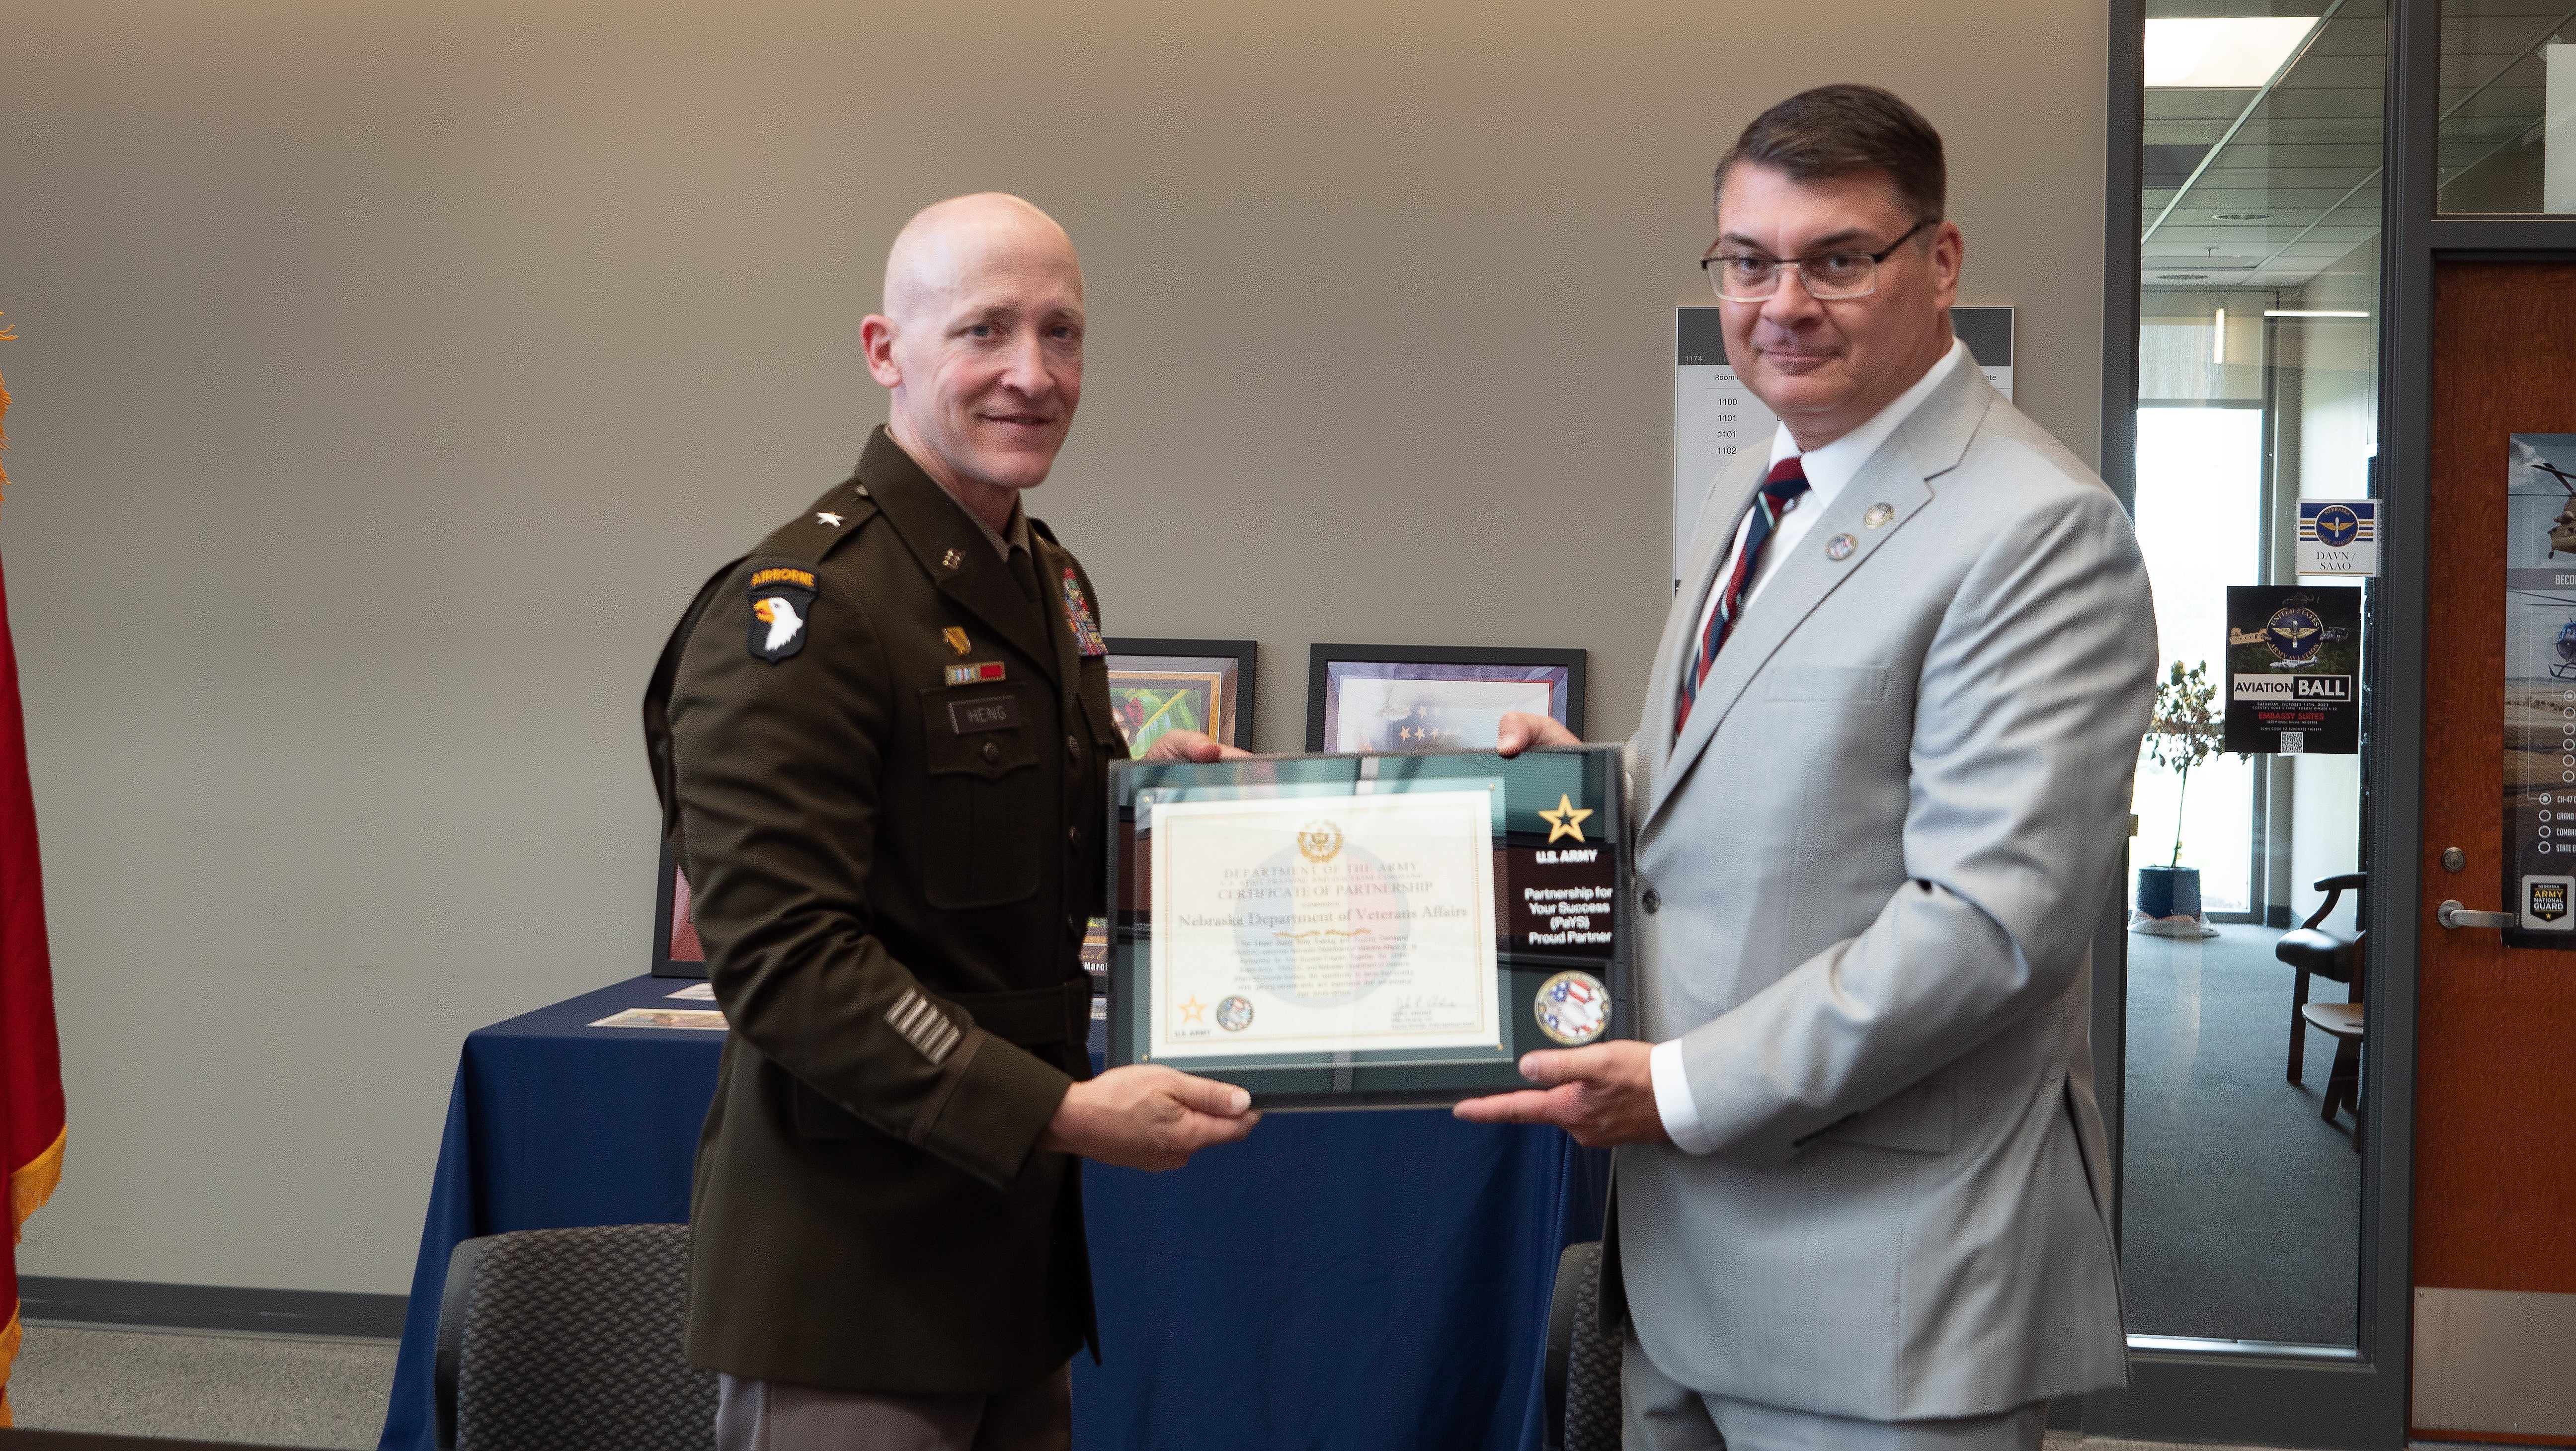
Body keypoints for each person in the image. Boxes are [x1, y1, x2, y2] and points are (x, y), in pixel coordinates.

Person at [1455, 85, 2155, 1450]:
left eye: (1839, 258)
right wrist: (1596, 787)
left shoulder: (2039, 532)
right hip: (1682, 1272)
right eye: (1747, 260)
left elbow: (1989, 924)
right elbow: (1771, 771)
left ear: (1937, 263)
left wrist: (1679, 1088)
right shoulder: (1762, 483)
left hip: (1886, 1291)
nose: (1783, 302)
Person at [642, 192, 1258, 1451]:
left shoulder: (1043, 577)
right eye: (985, 331)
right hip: (850, 1274)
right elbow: (787, 964)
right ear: (887, 351)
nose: (1033, 375)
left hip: (1005, 1264)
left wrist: (1157, 811)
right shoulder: (807, 609)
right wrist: (1062, 1112)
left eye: (1062, 333)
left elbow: (1005, 851)